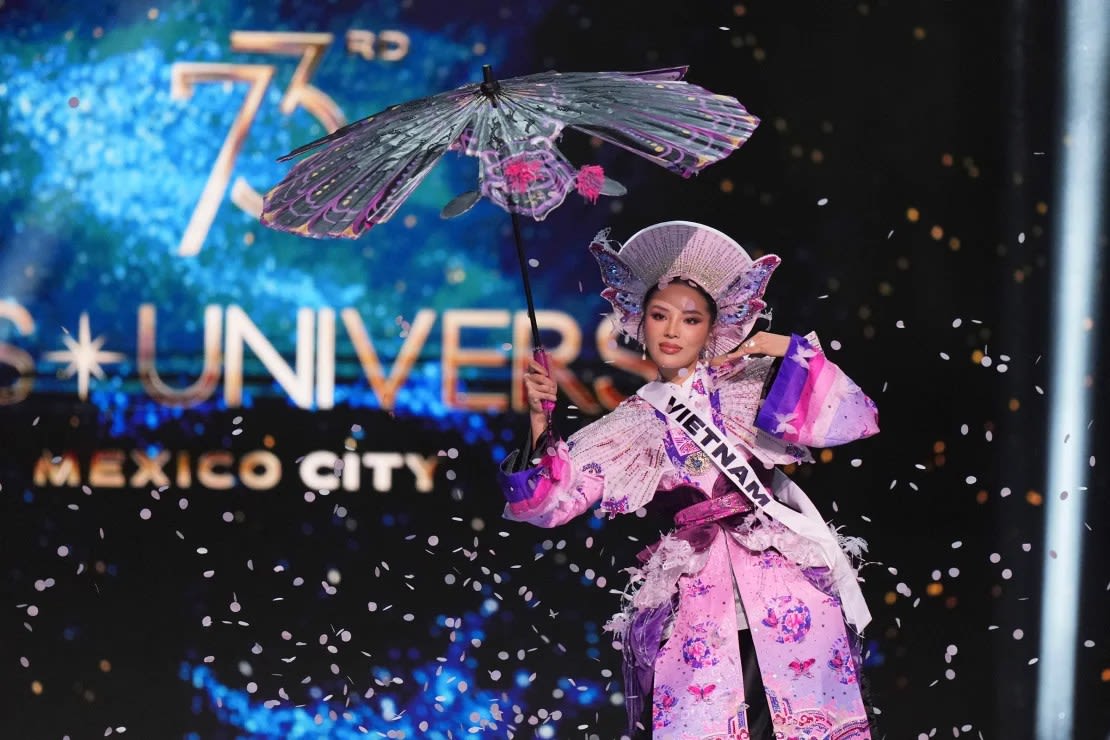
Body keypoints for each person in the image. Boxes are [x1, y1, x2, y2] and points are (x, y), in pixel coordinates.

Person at [498, 221, 879, 739]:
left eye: (691, 319)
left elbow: (853, 418)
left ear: (710, 328)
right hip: (698, 604)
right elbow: (549, 505)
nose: (673, 331)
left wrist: (769, 343)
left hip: (783, 591)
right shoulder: (626, 425)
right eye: (660, 315)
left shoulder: (747, 388)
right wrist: (542, 423)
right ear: (639, 321)